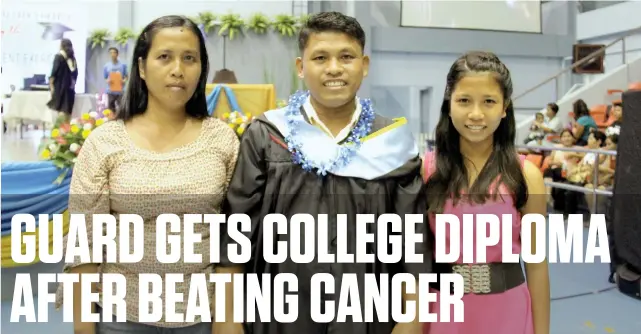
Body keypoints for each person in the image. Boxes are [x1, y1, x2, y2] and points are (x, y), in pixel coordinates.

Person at [215, 11, 431, 334]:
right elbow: (236, 236)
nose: (334, 68)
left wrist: (411, 322)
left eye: (346, 57)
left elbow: (412, 248)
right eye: (320, 57)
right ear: (301, 67)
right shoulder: (267, 135)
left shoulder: (390, 143)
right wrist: (227, 320)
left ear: (364, 65)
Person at [55, 15, 240, 334]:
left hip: (201, 317)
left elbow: (233, 240)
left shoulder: (222, 140)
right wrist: (83, 326)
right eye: (164, 57)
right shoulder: (106, 142)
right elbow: (84, 246)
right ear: (141, 67)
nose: (178, 70)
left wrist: (228, 319)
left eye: (189, 58)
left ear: (201, 68)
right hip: (122, 316)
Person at [422, 51, 550, 334]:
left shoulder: (527, 175)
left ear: (505, 107)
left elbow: (537, 266)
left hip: (507, 313)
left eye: (489, 101)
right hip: (443, 311)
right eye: (464, 100)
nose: (476, 114)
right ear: (449, 104)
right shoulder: (426, 170)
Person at [47, 38, 79, 119]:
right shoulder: (73, 59)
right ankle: (67, 130)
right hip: (70, 89)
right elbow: (75, 73)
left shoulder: (59, 57)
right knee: (68, 111)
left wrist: (51, 85)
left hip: (60, 88)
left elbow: (54, 71)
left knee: (61, 110)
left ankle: (60, 130)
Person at [103, 47, 128, 112]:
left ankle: (121, 121)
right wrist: (107, 80)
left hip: (120, 91)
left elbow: (126, 76)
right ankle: (112, 121)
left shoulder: (123, 65)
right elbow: (105, 77)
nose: (112, 54)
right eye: (111, 53)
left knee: (122, 109)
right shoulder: (106, 66)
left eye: (114, 52)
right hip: (110, 91)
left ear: (117, 54)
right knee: (111, 110)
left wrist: (124, 80)